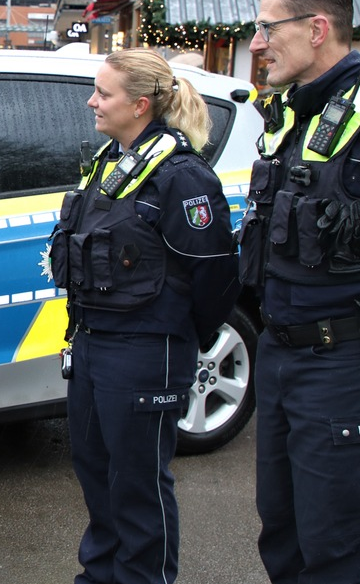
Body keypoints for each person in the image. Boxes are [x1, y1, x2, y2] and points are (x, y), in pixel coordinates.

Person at [50, 47, 239, 584]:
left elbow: (215, 276)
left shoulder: (182, 176)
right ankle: (101, 574)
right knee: (95, 472)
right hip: (92, 343)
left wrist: (179, 337)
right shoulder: (111, 161)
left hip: (145, 349)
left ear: (138, 105)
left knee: (137, 484)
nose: (92, 101)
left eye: (103, 93)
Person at [241, 0, 360, 584]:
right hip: (281, 357)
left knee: (334, 545)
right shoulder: (292, 117)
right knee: (283, 533)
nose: (255, 43)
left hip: (347, 365)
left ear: (318, 28)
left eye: (266, 28)